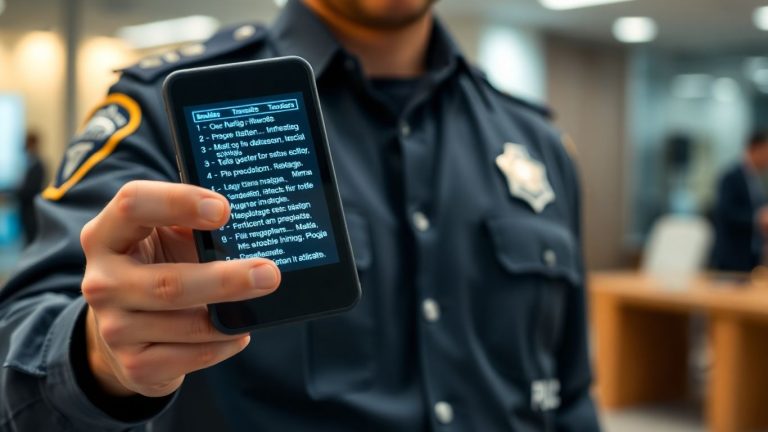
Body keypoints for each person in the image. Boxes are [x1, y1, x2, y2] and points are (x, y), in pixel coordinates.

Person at [0, 0, 600, 430]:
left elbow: (571, 391)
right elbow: (20, 340)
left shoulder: (535, 141)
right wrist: (96, 357)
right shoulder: (169, 111)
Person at [712, 131, 768, 272]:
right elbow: (725, 213)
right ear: (755, 149)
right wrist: (758, 219)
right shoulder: (731, 177)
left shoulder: (756, 179)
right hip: (732, 257)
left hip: (751, 256)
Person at [14, 132, 46, 244]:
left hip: (32, 210)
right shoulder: (29, 163)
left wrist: (14, 193)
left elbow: (30, 189)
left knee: (32, 239)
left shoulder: (37, 164)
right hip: (26, 209)